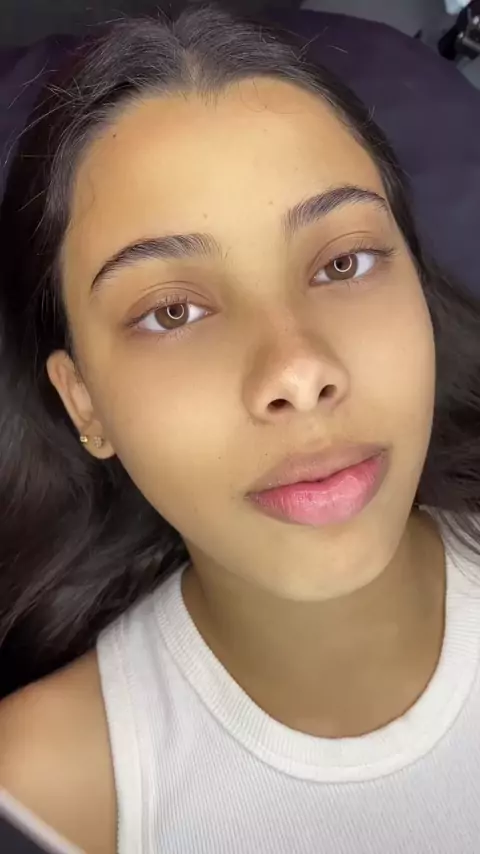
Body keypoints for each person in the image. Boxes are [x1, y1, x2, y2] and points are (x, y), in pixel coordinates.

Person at [0, 5, 479, 853]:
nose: (297, 371)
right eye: (172, 312)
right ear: (84, 405)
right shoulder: (40, 794)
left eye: (343, 263)